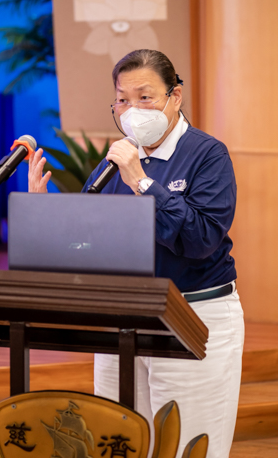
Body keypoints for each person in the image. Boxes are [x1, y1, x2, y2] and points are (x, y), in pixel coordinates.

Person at [28, 49, 244, 458]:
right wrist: (46, 212)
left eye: (145, 97)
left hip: (194, 315)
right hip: (122, 318)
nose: (132, 110)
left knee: (189, 445)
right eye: (123, 99)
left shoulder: (207, 155)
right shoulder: (114, 162)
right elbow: (89, 240)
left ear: (174, 96)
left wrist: (143, 183)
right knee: (118, 441)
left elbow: (201, 239)